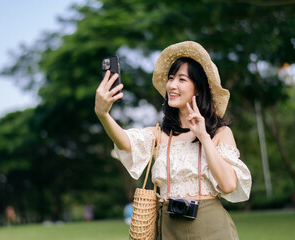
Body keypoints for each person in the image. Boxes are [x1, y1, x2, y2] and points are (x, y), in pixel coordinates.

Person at [95, 41, 251, 240]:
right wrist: (103, 115)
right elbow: (126, 142)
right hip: (168, 228)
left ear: (197, 88)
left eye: (181, 79)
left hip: (211, 228)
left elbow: (229, 185)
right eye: (170, 78)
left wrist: (203, 136)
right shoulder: (160, 134)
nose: (172, 85)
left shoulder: (220, 133)